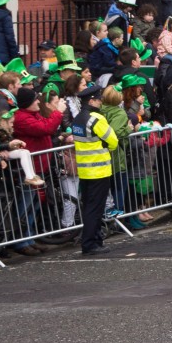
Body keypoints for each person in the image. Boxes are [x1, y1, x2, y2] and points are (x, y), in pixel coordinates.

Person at [71, 85, 119, 255]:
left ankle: (93, 240)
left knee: (89, 208)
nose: (100, 102)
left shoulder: (77, 118)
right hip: (99, 171)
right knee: (95, 210)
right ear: (91, 100)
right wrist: (105, 145)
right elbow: (113, 141)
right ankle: (91, 244)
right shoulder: (96, 119)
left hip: (84, 171)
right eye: (99, 99)